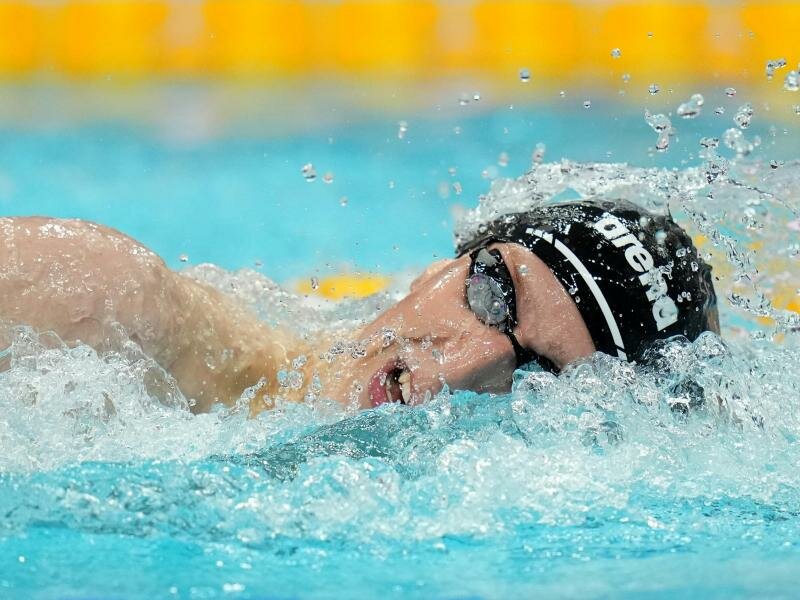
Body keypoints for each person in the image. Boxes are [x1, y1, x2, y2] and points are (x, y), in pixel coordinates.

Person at [0, 199, 718, 413]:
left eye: (539, 377)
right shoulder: (110, 305)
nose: (452, 372)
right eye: (491, 295)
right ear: (442, 266)